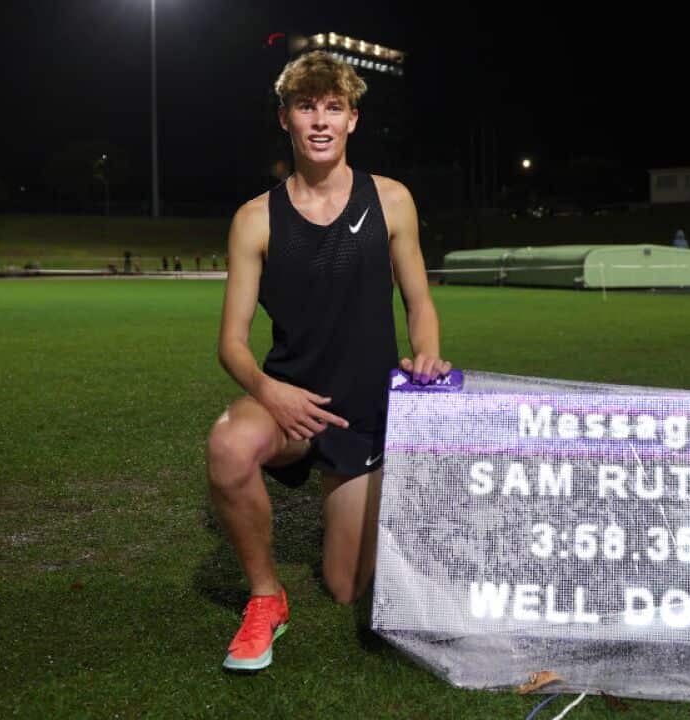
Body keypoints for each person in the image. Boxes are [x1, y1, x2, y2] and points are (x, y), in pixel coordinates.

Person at [205, 50, 450, 673]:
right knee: (230, 445)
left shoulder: (391, 200)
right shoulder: (254, 219)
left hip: (362, 413)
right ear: (285, 118)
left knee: (345, 588)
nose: (319, 121)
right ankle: (266, 597)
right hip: (289, 404)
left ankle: (370, 498)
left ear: (352, 121)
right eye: (306, 107)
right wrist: (272, 391)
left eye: (332, 108)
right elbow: (231, 341)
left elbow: (420, 302)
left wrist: (425, 354)